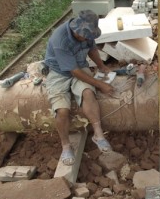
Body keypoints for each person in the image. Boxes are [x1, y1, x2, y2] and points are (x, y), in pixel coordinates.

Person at [44, 9, 114, 166]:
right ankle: (66, 146)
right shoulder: (60, 39)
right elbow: (73, 71)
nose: (87, 38)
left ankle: (98, 135)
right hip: (59, 72)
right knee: (62, 111)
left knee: (88, 93)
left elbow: (92, 49)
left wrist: (101, 66)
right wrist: (101, 84)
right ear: (76, 29)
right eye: (84, 36)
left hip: (80, 66)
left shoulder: (87, 33)